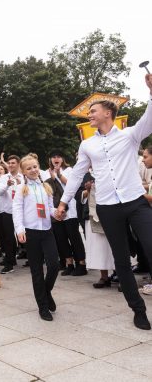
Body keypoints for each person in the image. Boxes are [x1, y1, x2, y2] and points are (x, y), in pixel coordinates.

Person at [57, 74, 152, 330]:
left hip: (135, 201)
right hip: (108, 207)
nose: (89, 114)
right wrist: (64, 203)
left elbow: (149, 120)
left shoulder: (130, 136)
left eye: (93, 110)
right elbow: (77, 174)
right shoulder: (87, 145)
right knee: (120, 259)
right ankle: (138, 310)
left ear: (108, 113)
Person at [13, 154, 58, 321]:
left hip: (47, 231)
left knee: (54, 265)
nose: (33, 170)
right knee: (37, 271)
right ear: (24, 171)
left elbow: (50, 208)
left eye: (35, 167)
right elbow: (17, 210)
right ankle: (43, 306)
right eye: (29, 168)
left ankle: (46, 292)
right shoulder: (21, 188)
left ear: (38, 167)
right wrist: (19, 230)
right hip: (31, 233)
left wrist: (58, 213)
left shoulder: (45, 186)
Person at [42, 151, 87, 276]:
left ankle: (81, 264)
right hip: (55, 210)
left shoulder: (69, 170)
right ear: (50, 159)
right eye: (53, 157)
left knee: (74, 237)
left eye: (58, 156)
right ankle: (69, 264)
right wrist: (51, 178)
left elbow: (72, 185)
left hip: (70, 209)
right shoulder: (46, 172)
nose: (56, 159)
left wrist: (58, 174)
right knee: (61, 239)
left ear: (62, 159)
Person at [81, 177, 115, 288]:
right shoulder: (84, 174)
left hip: (112, 211)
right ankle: (104, 276)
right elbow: (78, 195)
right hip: (92, 214)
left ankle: (120, 275)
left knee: (114, 246)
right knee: (99, 248)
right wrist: (89, 190)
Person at [0, 155, 24, 274]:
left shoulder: (23, 177)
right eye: (9, 163)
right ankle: (10, 262)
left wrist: (19, 184)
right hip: (7, 211)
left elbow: (25, 192)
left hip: (20, 211)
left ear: (18, 164)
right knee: (8, 237)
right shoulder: (3, 177)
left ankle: (32, 258)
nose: (11, 165)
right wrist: (7, 184)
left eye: (13, 163)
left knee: (24, 235)